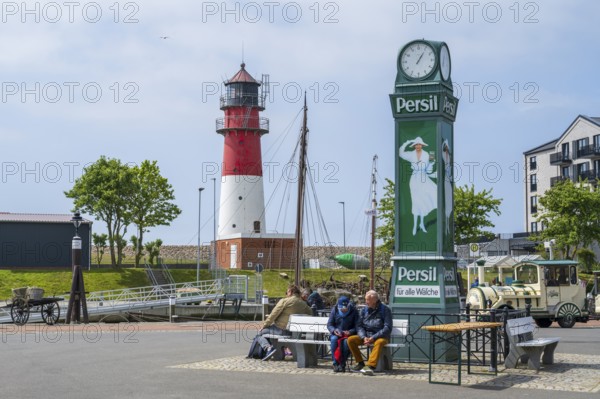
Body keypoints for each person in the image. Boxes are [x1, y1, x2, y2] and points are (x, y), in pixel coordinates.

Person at [256, 285, 313, 361]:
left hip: (281, 329)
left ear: (290, 292)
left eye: (287, 292)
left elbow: (273, 314)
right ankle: (278, 352)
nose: (286, 294)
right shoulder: (304, 304)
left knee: (260, 334)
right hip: (295, 333)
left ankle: (269, 348)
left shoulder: (285, 301)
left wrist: (265, 325)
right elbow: (311, 314)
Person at [347, 290, 392, 376]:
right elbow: (359, 326)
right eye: (366, 300)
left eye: (368, 300)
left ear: (374, 300)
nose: (366, 302)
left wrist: (373, 337)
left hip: (380, 336)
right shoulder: (364, 310)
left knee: (379, 342)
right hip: (367, 336)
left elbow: (387, 327)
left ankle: (370, 366)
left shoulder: (385, 310)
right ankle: (360, 363)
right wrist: (364, 337)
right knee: (351, 340)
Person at [398, 136, 437, 236]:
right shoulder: (411, 154)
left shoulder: (427, 154)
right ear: (414, 146)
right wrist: (407, 142)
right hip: (415, 179)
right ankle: (415, 225)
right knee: (415, 201)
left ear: (422, 145)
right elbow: (400, 153)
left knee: (423, 200)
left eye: (419, 144)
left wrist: (432, 163)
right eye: (416, 144)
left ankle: (421, 223)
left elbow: (428, 168)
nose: (418, 146)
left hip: (423, 178)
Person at [326, 296, 358, 373]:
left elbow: (358, 326)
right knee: (334, 340)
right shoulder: (335, 310)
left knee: (345, 343)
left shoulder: (354, 311)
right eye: (342, 309)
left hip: (349, 334)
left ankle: (342, 363)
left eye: (345, 308)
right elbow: (330, 324)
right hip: (337, 333)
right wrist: (334, 330)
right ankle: (335, 363)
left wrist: (350, 331)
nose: (343, 310)